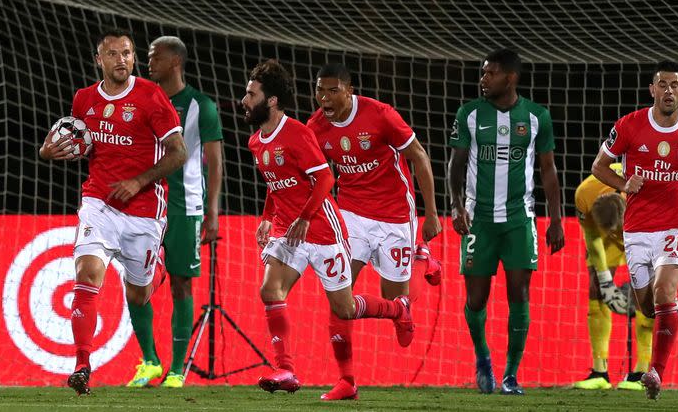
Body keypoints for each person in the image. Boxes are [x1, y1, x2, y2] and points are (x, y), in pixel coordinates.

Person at [242, 59, 414, 399]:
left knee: (344, 308)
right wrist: (266, 216)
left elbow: (324, 177)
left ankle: (397, 309)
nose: (245, 101)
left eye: (251, 94)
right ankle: (287, 369)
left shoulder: (297, 132)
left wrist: (305, 217)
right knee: (270, 290)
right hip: (287, 230)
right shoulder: (255, 142)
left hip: (322, 229)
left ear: (271, 100)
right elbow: (276, 184)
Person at [39, 28, 187, 395]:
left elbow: (178, 152)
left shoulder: (151, 96)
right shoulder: (84, 99)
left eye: (126, 53)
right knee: (87, 273)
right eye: (113, 54)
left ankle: (156, 272)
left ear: (133, 59)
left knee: (138, 295)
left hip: (144, 209)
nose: (121, 60)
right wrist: (49, 152)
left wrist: (138, 181)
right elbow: (80, 143)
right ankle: (82, 364)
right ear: (99, 60)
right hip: (98, 203)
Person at [306, 62, 443, 399]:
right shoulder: (315, 128)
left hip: (396, 215)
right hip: (351, 215)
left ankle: (421, 260)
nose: (324, 97)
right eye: (319, 89)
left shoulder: (380, 115)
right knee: (338, 293)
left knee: (396, 296)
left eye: (332, 89)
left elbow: (420, 157)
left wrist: (432, 214)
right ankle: (347, 381)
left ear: (349, 90)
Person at [591, 60, 678, 400]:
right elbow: (598, 167)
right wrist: (624, 184)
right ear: (652, 90)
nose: (669, 90)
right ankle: (672, 309)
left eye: (675, 85)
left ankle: (656, 372)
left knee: (662, 294)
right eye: (663, 84)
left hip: (676, 223)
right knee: (647, 308)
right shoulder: (629, 126)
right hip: (637, 228)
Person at [448, 48, 564, 396]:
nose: (483, 79)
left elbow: (548, 169)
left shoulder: (536, 116)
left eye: (490, 73)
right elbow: (456, 164)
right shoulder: (469, 114)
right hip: (478, 220)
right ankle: (483, 358)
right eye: (483, 73)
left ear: (509, 78)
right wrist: (456, 207)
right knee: (477, 299)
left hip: (518, 220)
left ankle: (512, 375)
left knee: (520, 293)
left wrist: (556, 219)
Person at [124, 36, 224, 388]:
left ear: (176, 62)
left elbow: (214, 162)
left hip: (185, 206)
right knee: (134, 280)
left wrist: (212, 213)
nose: (148, 61)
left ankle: (178, 370)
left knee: (180, 282)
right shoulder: (138, 98)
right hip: (144, 203)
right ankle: (149, 360)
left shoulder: (200, 105)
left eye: (156, 56)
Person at [572, 164, 655, 391]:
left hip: (642, 233)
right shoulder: (585, 194)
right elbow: (592, 237)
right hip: (605, 239)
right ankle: (600, 372)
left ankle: (641, 372)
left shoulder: (646, 194)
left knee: (645, 297)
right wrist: (606, 282)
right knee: (597, 289)